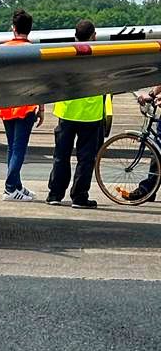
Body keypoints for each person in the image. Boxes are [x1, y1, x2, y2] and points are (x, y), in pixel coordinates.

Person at [46, 19, 111, 209]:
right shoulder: (100, 55)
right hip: (90, 114)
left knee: (61, 155)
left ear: (75, 34)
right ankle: (79, 196)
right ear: (94, 36)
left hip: (67, 112)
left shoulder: (67, 53)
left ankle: (55, 194)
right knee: (86, 158)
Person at [0, 8, 45, 201]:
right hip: (25, 105)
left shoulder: (1, 49)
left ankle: (16, 185)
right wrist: (41, 107)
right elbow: (39, 82)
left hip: (6, 104)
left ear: (13, 28)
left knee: (11, 147)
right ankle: (9, 188)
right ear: (29, 29)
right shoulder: (33, 51)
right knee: (19, 148)